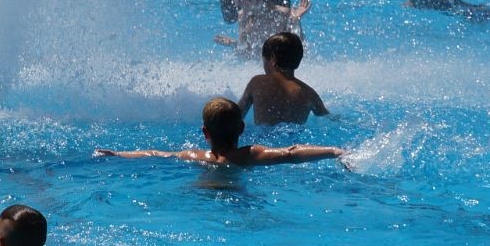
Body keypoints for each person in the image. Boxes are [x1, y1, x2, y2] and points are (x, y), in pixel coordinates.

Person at [96, 97, 343, 166]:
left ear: (205, 132)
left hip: (203, 199)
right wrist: (333, 151)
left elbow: (154, 154)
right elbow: (292, 152)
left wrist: (117, 153)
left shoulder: (194, 156)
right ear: (242, 128)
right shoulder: (250, 155)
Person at [237, 32, 329, 126]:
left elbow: (235, 116)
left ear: (273, 59)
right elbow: (328, 118)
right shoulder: (310, 94)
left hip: (260, 139)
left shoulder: (258, 82)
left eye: (264, 61)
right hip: (297, 141)